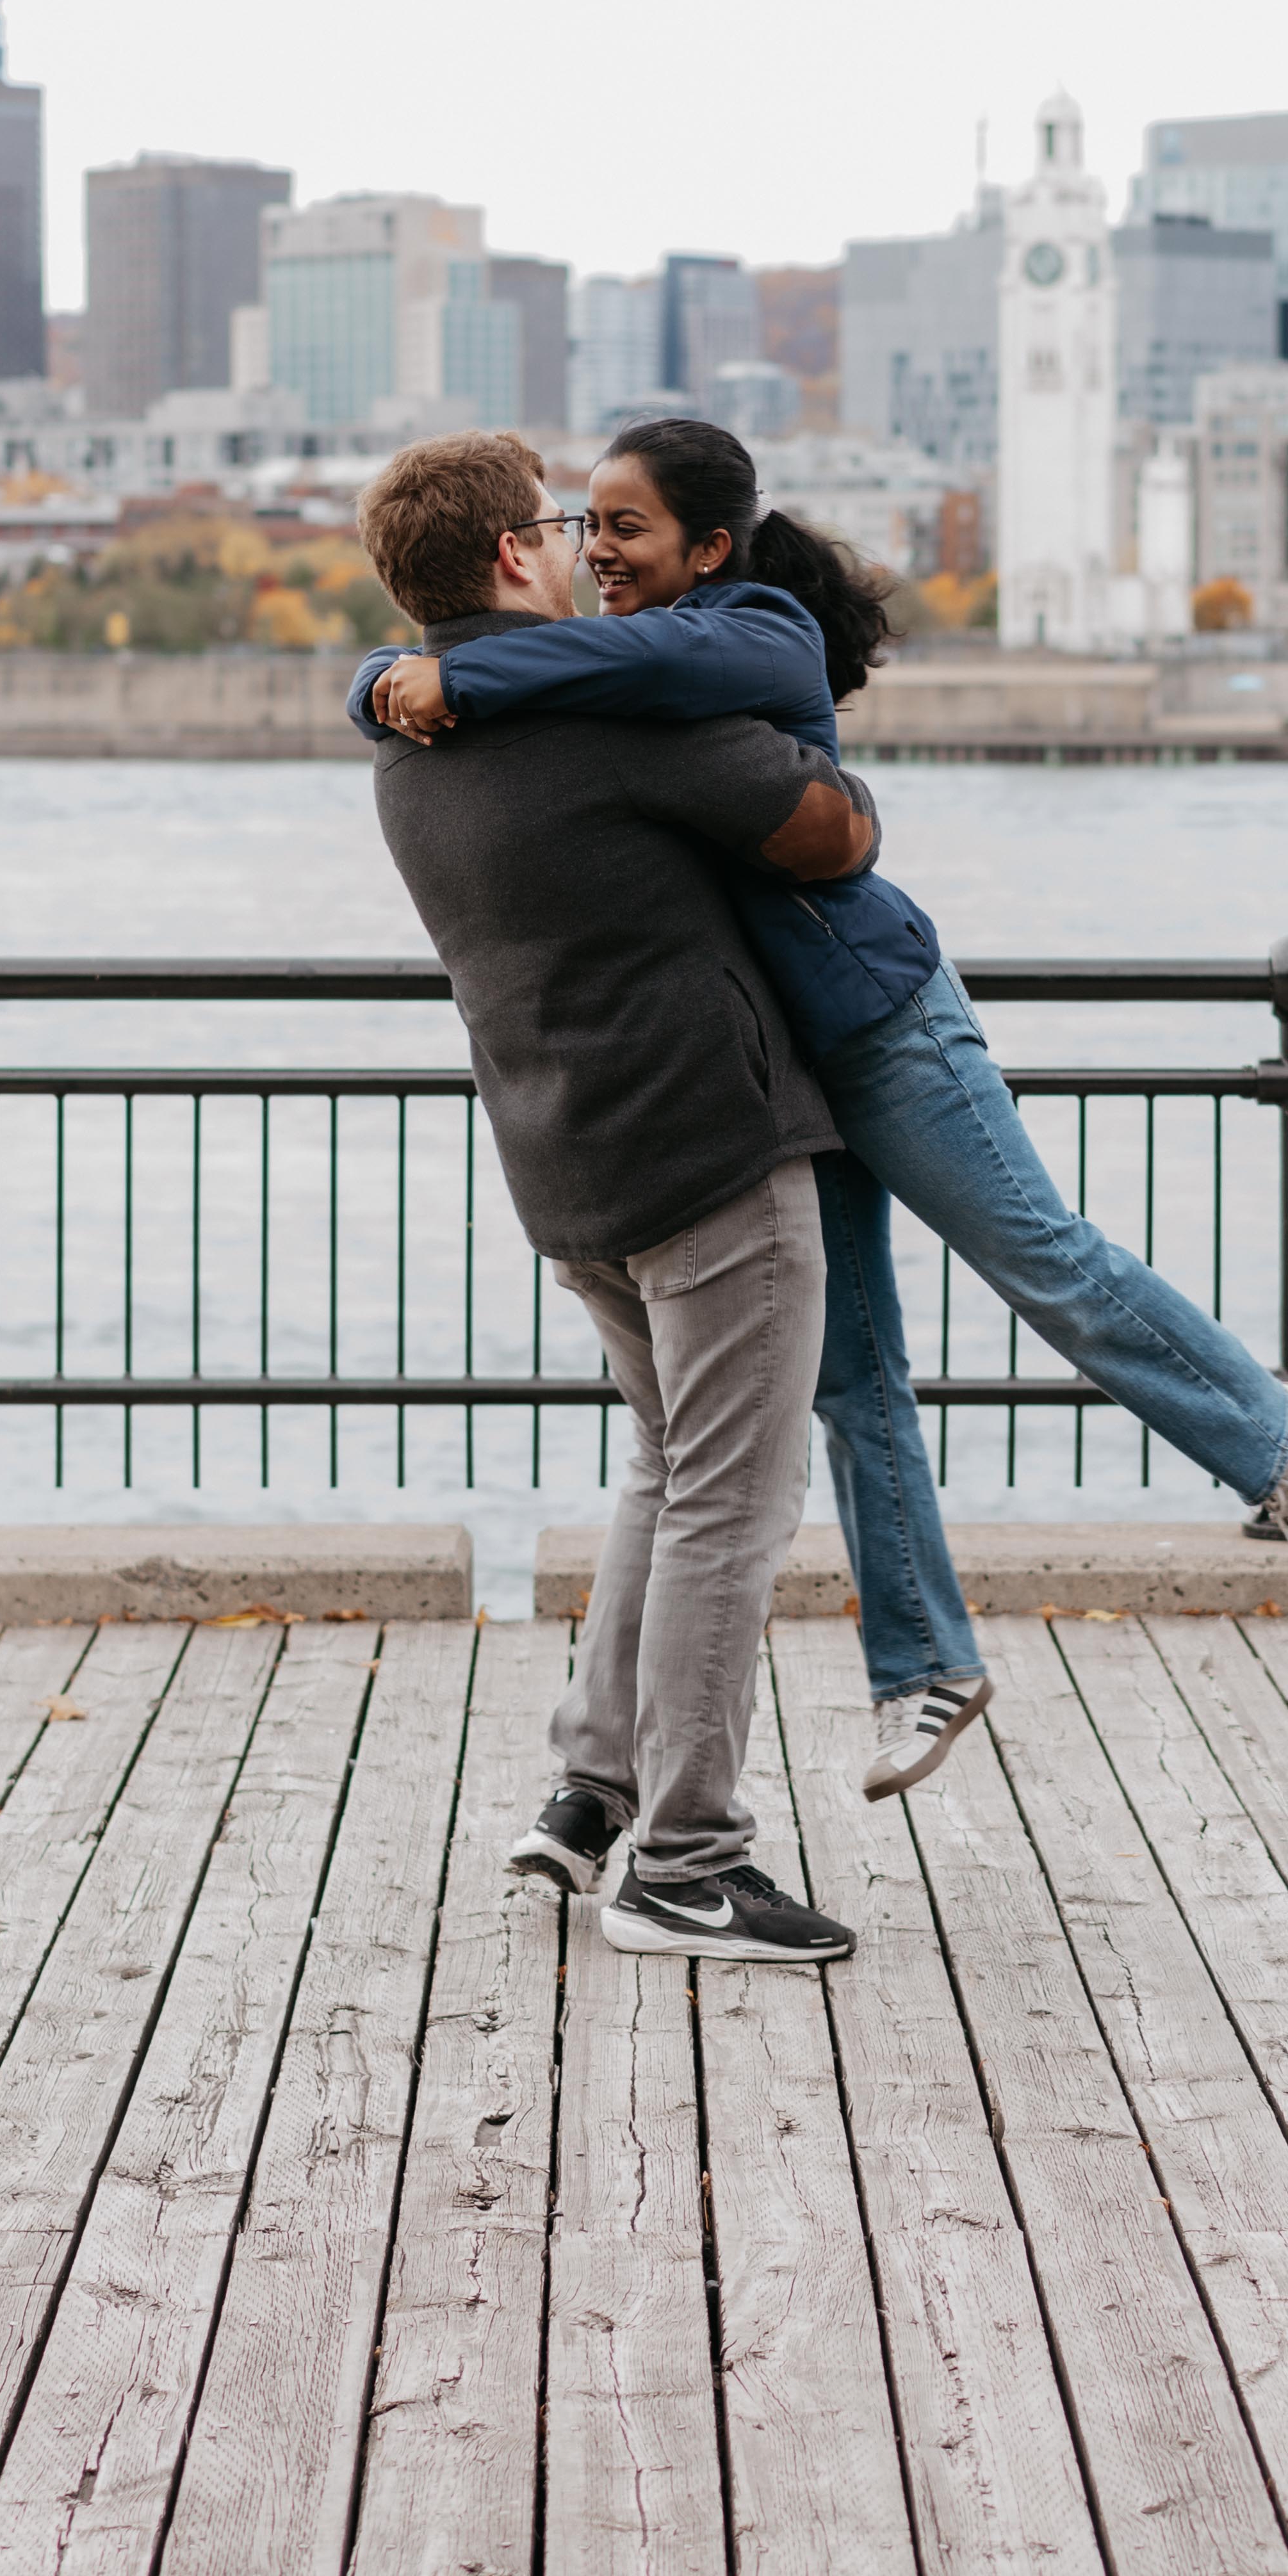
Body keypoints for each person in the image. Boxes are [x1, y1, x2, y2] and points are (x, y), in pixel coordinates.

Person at [359, 416, 1288, 1808]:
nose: (598, 553)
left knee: (1038, 1257)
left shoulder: (747, 630)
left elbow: (652, 683)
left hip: (880, 1018)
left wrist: (425, 671)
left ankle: (1266, 1428)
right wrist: (385, 675)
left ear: (711, 545)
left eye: (624, 528)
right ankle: (925, 1663)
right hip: (782, 1064)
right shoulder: (604, 664)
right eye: (582, 528)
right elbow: (583, 673)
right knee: (852, 1376)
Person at [355, 429, 868, 1965]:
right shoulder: (598, 716)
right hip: (705, 1151)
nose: (584, 546)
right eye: (559, 523)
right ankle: (689, 1863)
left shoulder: (405, 737)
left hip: (567, 1162)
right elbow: (824, 825)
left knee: (667, 1465)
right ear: (514, 553)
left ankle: (590, 1788)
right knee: (733, 1496)